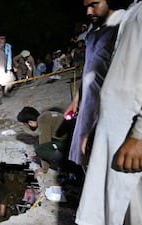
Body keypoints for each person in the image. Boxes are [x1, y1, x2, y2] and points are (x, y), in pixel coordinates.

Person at [75, 1, 142, 225]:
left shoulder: (130, 16)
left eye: (94, 3)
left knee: (131, 206)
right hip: (111, 129)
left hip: (131, 138)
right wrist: (95, 127)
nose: (88, 11)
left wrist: (140, 134)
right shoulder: (134, 11)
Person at [65, 0, 127, 167]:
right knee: (87, 162)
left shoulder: (126, 29)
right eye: (86, 7)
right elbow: (90, 67)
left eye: (95, 4)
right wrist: (78, 96)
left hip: (110, 112)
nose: (89, 12)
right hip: (88, 108)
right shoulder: (94, 34)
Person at [17, 106, 73, 173]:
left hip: (71, 142)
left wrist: (44, 169)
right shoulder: (46, 115)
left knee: (38, 154)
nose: (27, 126)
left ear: (30, 122)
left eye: (25, 124)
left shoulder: (42, 122)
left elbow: (44, 145)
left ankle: (66, 168)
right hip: (71, 135)